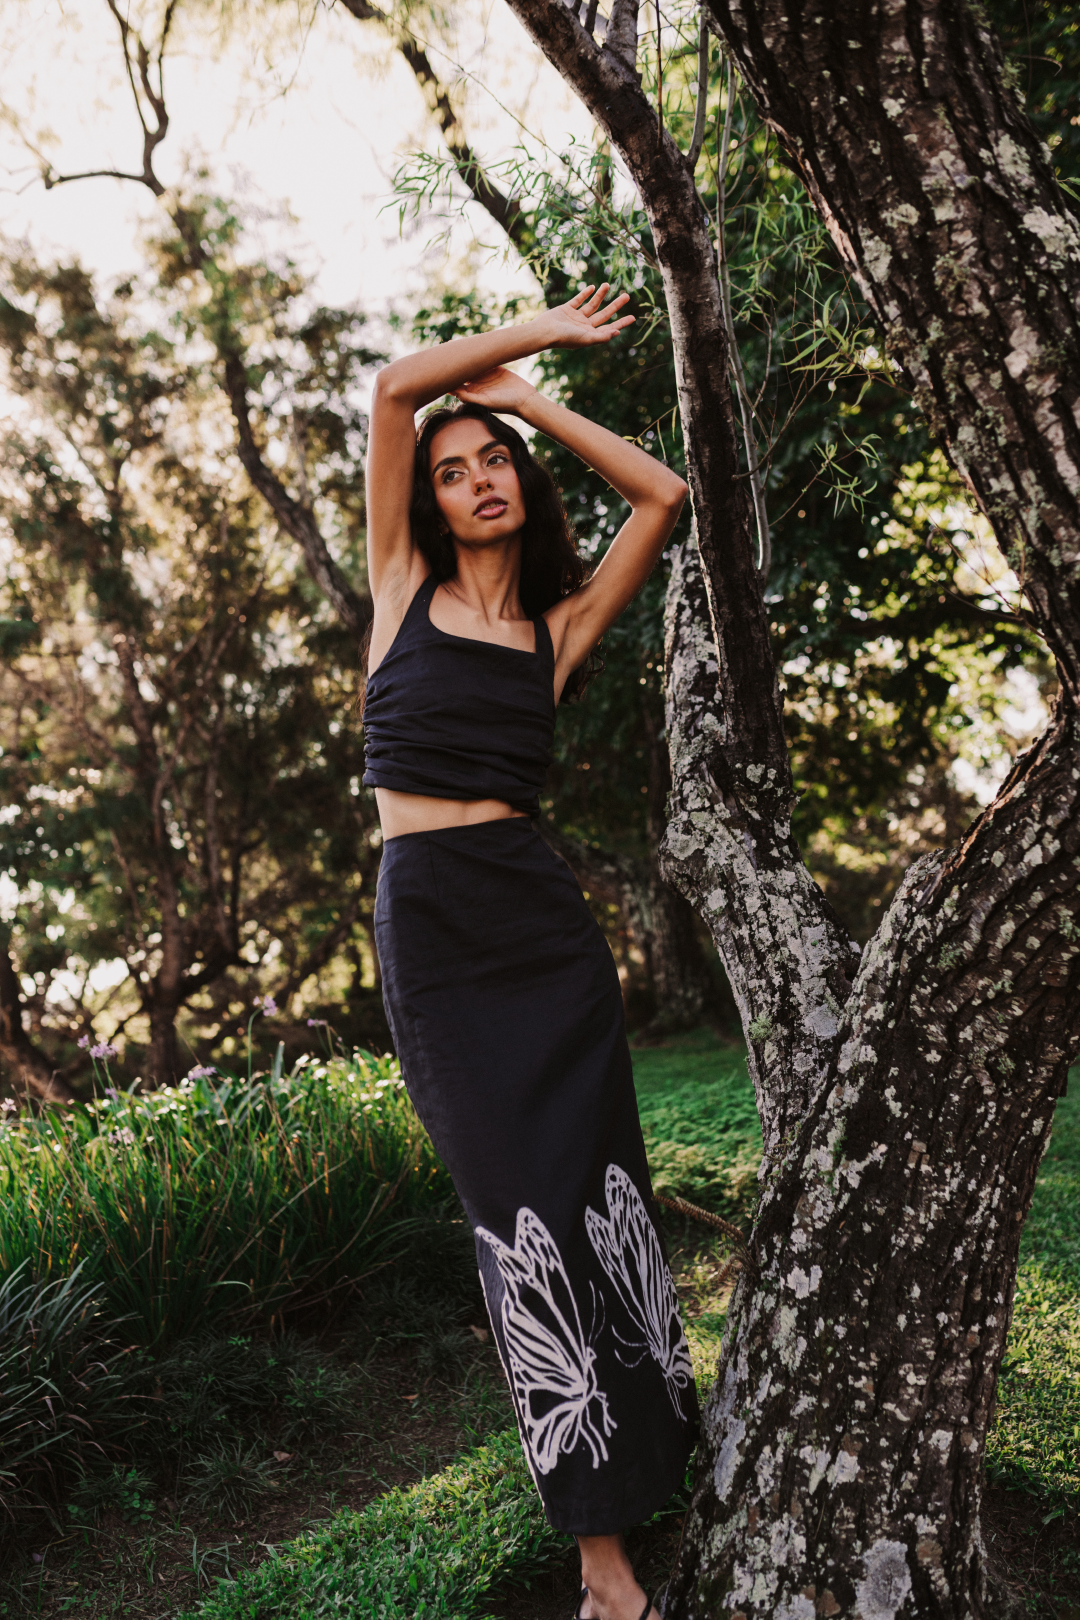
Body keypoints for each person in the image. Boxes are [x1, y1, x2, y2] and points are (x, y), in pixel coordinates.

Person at [363, 284, 696, 1620]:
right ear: (427, 504)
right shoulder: (396, 592)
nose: (475, 478)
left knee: (598, 1196)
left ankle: (628, 1521)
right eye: (453, 472)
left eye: (489, 460)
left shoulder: (552, 635)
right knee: (520, 1229)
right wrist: (536, 334)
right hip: (435, 933)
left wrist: (528, 405)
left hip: (542, 934)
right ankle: (602, 1555)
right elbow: (393, 386)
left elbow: (662, 496)